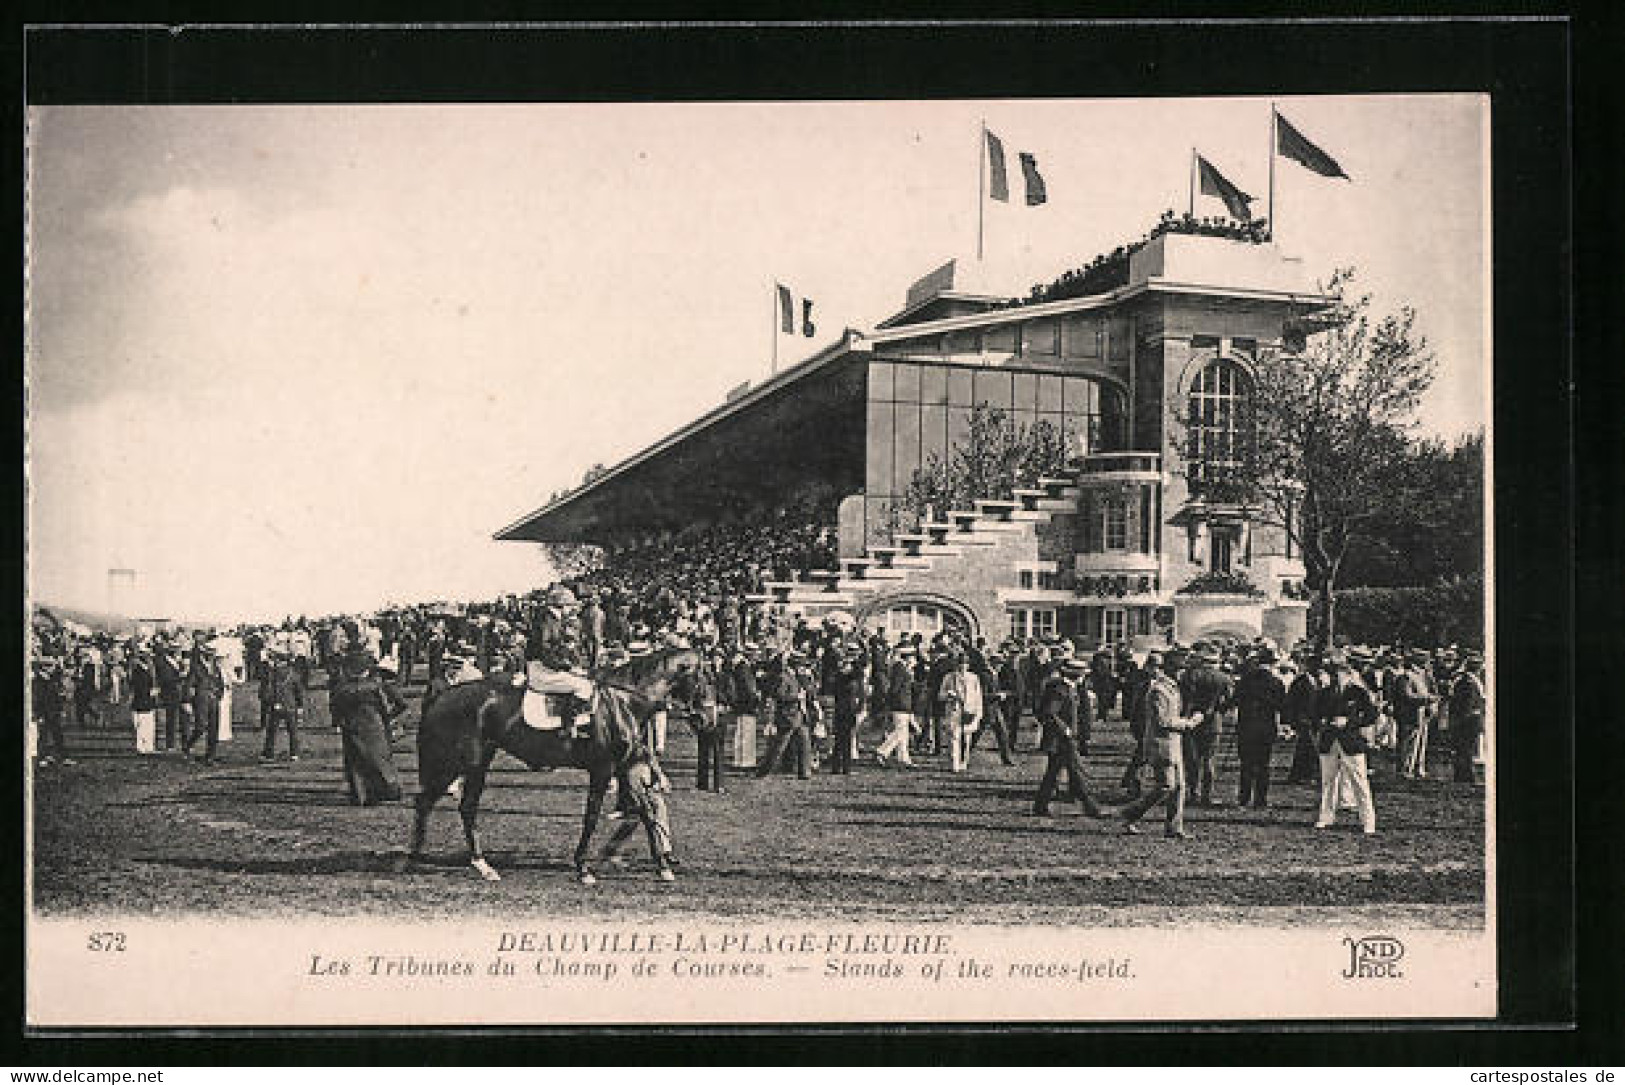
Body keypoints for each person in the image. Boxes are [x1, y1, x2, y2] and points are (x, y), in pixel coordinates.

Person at [1118, 652, 1199, 839]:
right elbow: (1162, 721)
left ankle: (1174, 828)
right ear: (1170, 669)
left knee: (1179, 787)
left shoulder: (1172, 689)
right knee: (1166, 786)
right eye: (1179, 669)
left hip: (1173, 743)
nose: (1182, 673)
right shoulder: (1159, 691)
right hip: (1160, 744)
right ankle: (1130, 814)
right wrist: (1189, 723)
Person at [328, 621, 406, 804]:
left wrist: (338, 720)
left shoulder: (342, 675)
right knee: (379, 757)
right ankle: (386, 789)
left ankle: (360, 794)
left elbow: (335, 701)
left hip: (352, 721)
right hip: (373, 720)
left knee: (355, 759)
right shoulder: (373, 677)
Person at [1314, 651, 1379, 834]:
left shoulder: (1358, 693)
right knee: (1328, 781)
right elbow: (1315, 714)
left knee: (1359, 781)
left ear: (1348, 674)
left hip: (1351, 741)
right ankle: (1325, 817)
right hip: (1329, 740)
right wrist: (1324, 722)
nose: (1336, 678)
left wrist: (1349, 722)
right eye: (1333, 674)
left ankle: (1368, 821)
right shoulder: (1324, 694)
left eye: (1339, 674)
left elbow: (1371, 716)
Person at [1031, 657, 1104, 818]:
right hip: (1061, 740)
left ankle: (1040, 805)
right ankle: (1091, 807)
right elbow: (1050, 713)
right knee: (1075, 772)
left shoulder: (1069, 688)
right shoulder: (1060, 690)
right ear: (1076, 675)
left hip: (1063, 739)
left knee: (1054, 773)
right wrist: (1065, 730)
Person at [1180, 644, 1234, 806]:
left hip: (1192, 720)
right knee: (1209, 760)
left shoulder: (1190, 675)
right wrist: (1218, 710)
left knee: (1192, 759)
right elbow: (1230, 700)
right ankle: (1207, 795)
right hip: (1213, 722)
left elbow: (1185, 698)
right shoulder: (1223, 678)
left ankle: (1193, 792)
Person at [1234, 647, 1287, 809]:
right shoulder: (1277, 682)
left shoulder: (1245, 680)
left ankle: (1243, 798)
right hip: (1266, 728)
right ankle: (1260, 800)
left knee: (1246, 764)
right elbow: (1281, 706)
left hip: (1246, 726)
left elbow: (1236, 700)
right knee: (1264, 765)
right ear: (1272, 664)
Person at [757, 653, 812, 779]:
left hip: (798, 715)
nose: (803, 668)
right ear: (795, 666)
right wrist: (795, 697)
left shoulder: (796, 677)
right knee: (779, 747)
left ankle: (804, 772)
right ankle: (764, 770)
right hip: (787, 716)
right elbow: (779, 696)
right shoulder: (783, 677)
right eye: (801, 665)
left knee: (805, 742)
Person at [1392, 649, 1437, 779]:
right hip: (1408, 714)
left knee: (1420, 742)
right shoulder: (1405, 676)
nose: (1428, 665)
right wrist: (1427, 699)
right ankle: (1404, 769)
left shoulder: (1422, 676)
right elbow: (1406, 696)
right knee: (1407, 742)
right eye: (1426, 662)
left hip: (1421, 714)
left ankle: (1417, 767)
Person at [183, 631, 226, 763]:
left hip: (213, 701)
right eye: (209, 653)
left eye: (213, 653)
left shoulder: (215, 668)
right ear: (204, 654)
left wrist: (219, 695)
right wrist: (187, 701)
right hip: (201, 700)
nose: (212, 655)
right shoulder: (196, 668)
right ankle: (188, 746)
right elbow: (189, 685)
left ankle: (210, 755)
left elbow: (220, 683)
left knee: (214, 728)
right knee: (200, 727)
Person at [937, 655, 983, 773]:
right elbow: (940, 695)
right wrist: (949, 695)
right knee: (954, 736)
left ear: (968, 665)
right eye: (960, 664)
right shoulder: (949, 677)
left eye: (965, 664)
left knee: (967, 738)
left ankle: (964, 763)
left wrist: (978, 712)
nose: (963, 666)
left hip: (969, 710)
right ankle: (954, 764)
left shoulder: (973, 678)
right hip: (954, 710)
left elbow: (978, 696)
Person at [259, 647, 306, 762]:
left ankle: (268, 753)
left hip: (276, 705)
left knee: (272, 731)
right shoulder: (294, 674)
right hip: (291, 705)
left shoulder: (272, 674)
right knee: (293, 731)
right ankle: (294, 753)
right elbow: (299, 691)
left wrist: (270, 702)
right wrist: (300, 706)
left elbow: (269, 690)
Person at [827, 645, 866, 775]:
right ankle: (845, 768)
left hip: (842, 707)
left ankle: (837, 767)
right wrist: (851, 662)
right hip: (847, 708)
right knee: (845, 739)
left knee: (840, 739)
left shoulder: (841, 671)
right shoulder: (847, 672)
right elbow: (857, 675)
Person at [1448, 652, 1486, 784]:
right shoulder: (1469, 682)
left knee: (1465, 749)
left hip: (1468, 719)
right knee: (1465, 749)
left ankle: (1463, 775)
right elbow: (1466, 704)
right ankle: (1465, 776)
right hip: (1468, 720)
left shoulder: (1467, 681)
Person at [875, 646, 916, 767]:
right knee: (900, 732)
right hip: (900, 704)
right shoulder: (900, 669)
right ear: (908, 657)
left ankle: (903, 758)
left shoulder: (903, 668)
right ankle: (882, 751)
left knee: (903, 733)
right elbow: (895, 688)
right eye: (912, 657)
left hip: (903, 704)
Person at [691, 657, 724, 794]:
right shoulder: (699, 684)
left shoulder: (722, 679)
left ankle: (713, 784)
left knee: (711, 752)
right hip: (706, 715)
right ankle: (707, 784)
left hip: (714, 715)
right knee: (707, 752)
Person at [728, 648, 759, 769]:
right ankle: (745, 761)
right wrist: (756, 697)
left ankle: (741, 760)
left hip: (743, 704)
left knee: (742, 732)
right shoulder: (744, 668)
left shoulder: (743, 667)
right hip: (746, 704)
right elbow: (748, 688)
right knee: (746, 732)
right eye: (755, 655)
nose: (756, 657)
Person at [129, 644, 158, 755]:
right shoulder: (139, 671)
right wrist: (151, 692)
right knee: (143, 725)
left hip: (144, 701)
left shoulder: (142, 670)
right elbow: (139, 687)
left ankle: (146, 746)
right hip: (142, 701)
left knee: (146, 725)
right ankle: (143, 747)